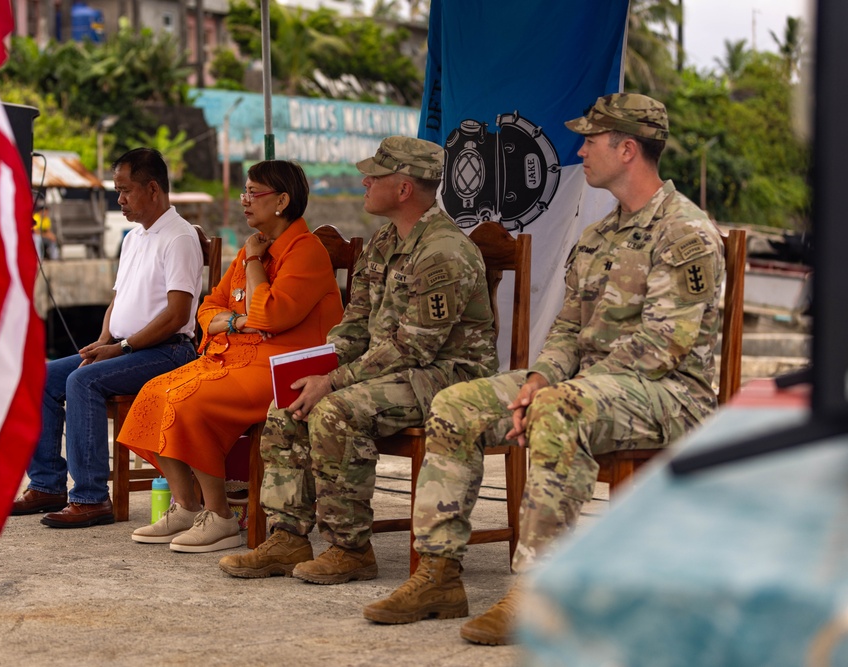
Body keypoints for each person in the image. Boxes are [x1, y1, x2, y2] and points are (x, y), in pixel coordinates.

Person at [362, 94, 725, 645]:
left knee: (559, 407)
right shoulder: (598, 236)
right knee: (455, 404)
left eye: (591, 141)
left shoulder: (685, 231)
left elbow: (663, 347)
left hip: (669, 394)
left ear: (627, 149)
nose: (580, 150)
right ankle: (438, 574)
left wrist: (557, 389)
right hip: (592, 387)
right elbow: (565, 333)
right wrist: (537, 377)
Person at [218, 136, 498, 583]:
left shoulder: (444, 251)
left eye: (376, 175)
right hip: (392, 369)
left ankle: (350, 548)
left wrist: (332, 382)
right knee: (287, 402)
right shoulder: (385, 241)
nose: (364, 181)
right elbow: (356, 324)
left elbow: (415, 347)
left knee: (335, 411)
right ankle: (288, 536)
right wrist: (317, 367)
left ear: (404, 188)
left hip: (446, 377)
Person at [116, 160, 344, 552]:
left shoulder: (305, 252)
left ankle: (220, 515)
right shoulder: (250, 248)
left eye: (254, 193)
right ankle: (187, 505)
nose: (245, 201)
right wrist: (237, 322)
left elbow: (270, 315)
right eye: (245, 192)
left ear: (282, 201)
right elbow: (208, 308)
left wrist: (254, 266)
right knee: (151, 394)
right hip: (232, 356)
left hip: (279, 368)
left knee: (189, 402)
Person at [11, 148, 203, 528]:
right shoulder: (134, 238)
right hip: (125, 346)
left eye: (125, 190)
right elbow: (117, 300)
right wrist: (103, 340)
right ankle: (48, 484)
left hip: (168, 351)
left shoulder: (179, 237)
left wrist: (122, 347)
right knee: (38, 377)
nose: (120, 200)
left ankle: (91, 497)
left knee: (82, 381)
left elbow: (178, 315)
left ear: (153, 189)